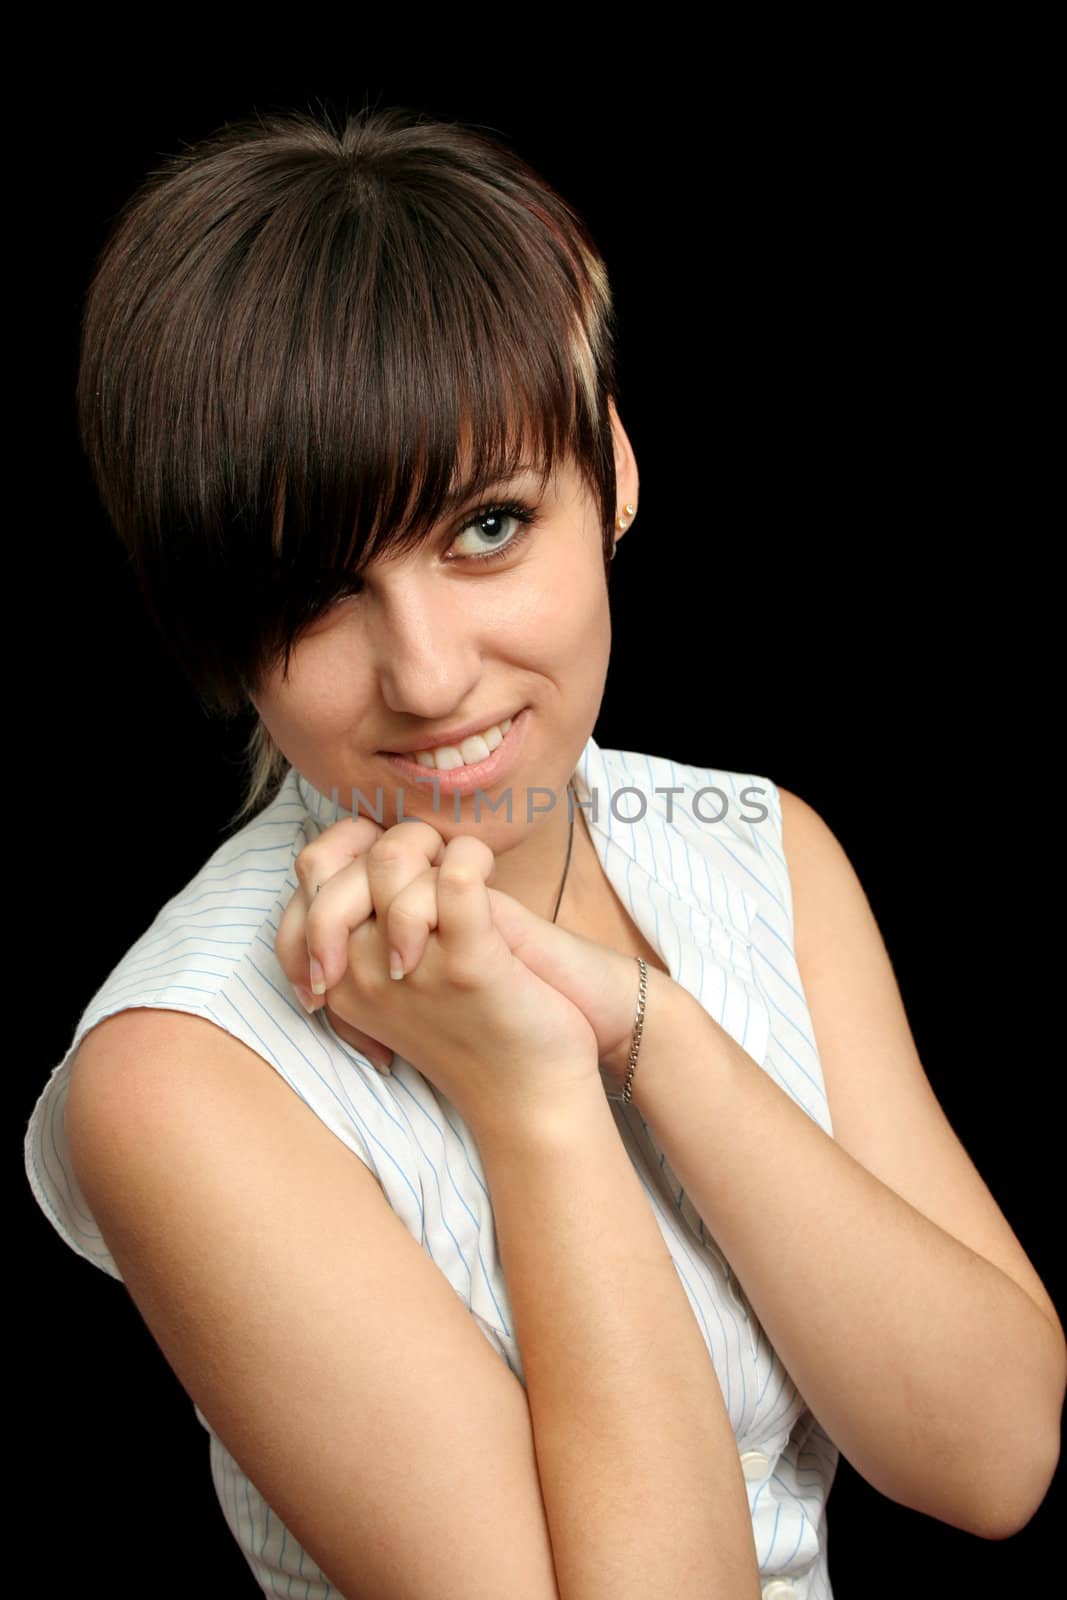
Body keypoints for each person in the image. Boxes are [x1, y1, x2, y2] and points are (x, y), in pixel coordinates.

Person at [23, 104, 1064, 1599]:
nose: (431, 673)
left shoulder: (760, 853)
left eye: (488, 526)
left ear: (617, 473)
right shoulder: (180, 1077)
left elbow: (995, 1453)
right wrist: (529, 1100)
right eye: (315, 593)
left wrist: (643, 1025)